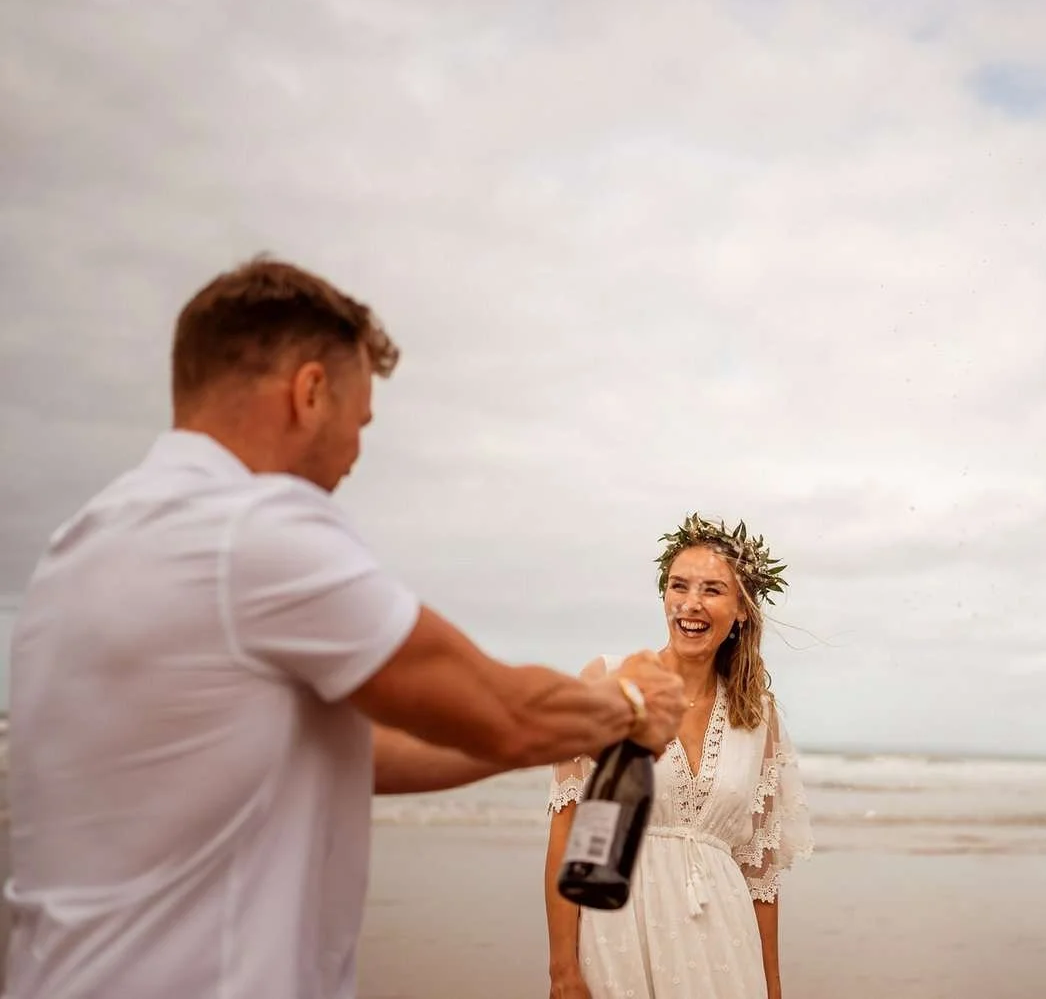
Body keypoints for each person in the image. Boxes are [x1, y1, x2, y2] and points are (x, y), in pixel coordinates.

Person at [1, 255, 688, 999]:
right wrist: (628, 705)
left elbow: (358, 753)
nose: (356, 456)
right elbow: (501, 711)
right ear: (309, 392)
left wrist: (538, 738)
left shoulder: (79, 545)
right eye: (360, 422)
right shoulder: (249, 526)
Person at [543, 514, 815, 999]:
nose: (691, 604)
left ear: (742, 610)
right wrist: (562, 968)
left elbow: (759, 873)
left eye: (712, 590)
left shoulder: (759, 717)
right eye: (678, 586)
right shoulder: (610, 680)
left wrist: (773, 987)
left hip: (724, 939)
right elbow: (568, 832)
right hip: (619, 925)